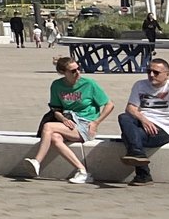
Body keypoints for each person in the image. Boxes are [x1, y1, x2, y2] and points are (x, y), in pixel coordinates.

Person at [22, 56, 112, 184]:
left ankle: (37, 161)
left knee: (48, 127)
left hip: (86, 124)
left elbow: (109, 104)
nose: (78, 73)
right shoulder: (57, 85)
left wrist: (96, 122)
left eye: (78, 69)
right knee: (55, 138)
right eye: (73, 71)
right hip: (69, 123)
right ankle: (82, 171)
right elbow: (56, 109)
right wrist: (63, 119)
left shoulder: (89, 84)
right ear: (63, 73)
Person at [118, 57, 169, 185]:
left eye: (156, 73)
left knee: (127, 136)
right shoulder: (140, 85)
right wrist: (144, 120)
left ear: (167, 74)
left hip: (163, 129)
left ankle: (143, 174)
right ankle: (138, 156)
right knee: (124, 117)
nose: (151, 75)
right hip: (143, 122)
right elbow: (130, 108)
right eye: (149, 71)